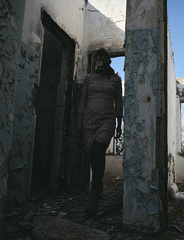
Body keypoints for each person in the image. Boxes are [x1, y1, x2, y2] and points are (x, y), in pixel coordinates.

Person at [76, 48, 123, 212]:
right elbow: (83, 101)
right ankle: (99, 186)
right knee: (93, 155)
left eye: (102, 58)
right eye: (97, 58)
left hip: (107, 121)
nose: (99, 61)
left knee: (97, 150)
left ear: (108, 60)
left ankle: (95, 191)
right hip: (89, 121)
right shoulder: (89, 78)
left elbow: (119, 102)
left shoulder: (115, 80)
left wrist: (118, 124)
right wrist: (79, 123)